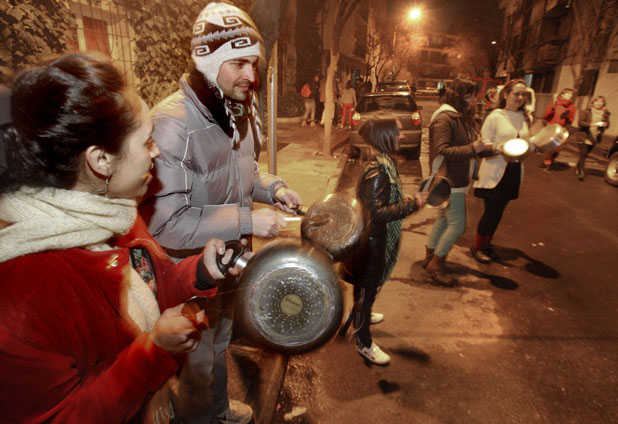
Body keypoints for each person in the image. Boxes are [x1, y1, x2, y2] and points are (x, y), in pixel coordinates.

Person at [0, 52, 246, 423]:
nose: (157, 151)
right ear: (101, 160)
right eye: (146, 142)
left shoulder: (112, 213)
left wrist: (198, 273)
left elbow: (147, 281)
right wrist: (152, 354)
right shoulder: (23, 294)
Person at [141, 3, 302, 423]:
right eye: (239, 63)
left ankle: (214, 411)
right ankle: (199, 415)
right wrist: (248, 220)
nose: (252, 75)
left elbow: (244, 173)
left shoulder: (237, 110)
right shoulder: (172, 124)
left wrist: (274, 188)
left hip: (229, 261)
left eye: (254, 63)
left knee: (220, 343)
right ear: (209, 63)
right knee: (197, 358)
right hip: (189, 270)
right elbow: (166, 223)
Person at [340, 119, 428, 366]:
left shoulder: (381, 161)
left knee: (366, 288)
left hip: (371, 240)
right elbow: (376, 214)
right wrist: (412, 204)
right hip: (371, 243)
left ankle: (360, 314)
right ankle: (363, 341)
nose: (401, 135)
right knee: (368, 287)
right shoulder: (379, 170)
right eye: (398, 131)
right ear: (386, 135)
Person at [421, 77, 489, 287]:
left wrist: (491, 149)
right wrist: (472, 149)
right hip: (449, 179)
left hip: (456, 177)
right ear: (458, 96)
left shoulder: (459, 117)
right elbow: (442, 150)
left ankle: (430, 256)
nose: (473, 100)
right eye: (469, 95)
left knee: (444, 220)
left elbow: (469, 145)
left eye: (473, 95)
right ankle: (436, 265)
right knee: (459, 224)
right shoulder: (445, 118)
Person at [470, 79, 532, 263]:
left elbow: (527, 144)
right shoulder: (495, 116)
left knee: (499, 213)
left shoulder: (524, 117)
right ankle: (477, 247)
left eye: (523, 94)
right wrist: (501, 147)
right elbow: (484, 144)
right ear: (506, 94)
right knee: (491, 212)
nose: (520, 97)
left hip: (514, 171)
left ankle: (487, 245)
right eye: (516, 93)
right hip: (495, 170)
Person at [574, 95, 611, 181]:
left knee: (585, 155)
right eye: (597, 101)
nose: (599, 103)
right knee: (583, 153)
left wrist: (605, 124)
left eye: (601, 102)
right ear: (593, 103)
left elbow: (608, 124)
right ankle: (582, 172)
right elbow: (581, 123)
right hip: (584, 135)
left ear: (603, 104)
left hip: (595, 137)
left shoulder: (605, 113)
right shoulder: (586, 111)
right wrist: (592, 124)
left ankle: (578, 166)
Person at [541, 88, 576, 173]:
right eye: (568, 94)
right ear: (562, 95)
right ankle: (548, 165)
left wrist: (568, 117)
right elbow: (546, 116)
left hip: (562, 129)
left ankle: (552, 159)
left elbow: (571, 119)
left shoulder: (572, 107)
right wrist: (553, 108)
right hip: (552, 127)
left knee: (558, 148)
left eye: (571, 94)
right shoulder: (554, 103)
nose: (570, 96)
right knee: (550, 147)